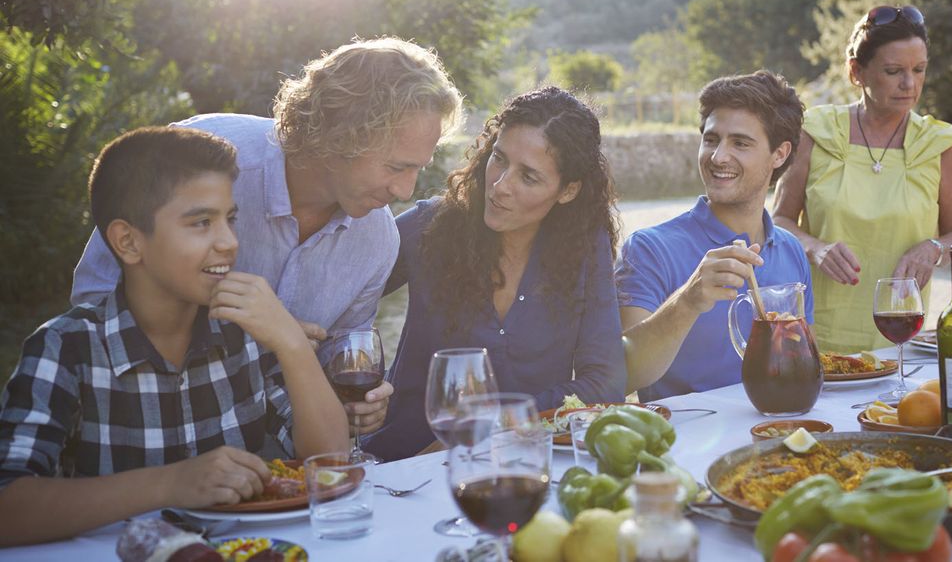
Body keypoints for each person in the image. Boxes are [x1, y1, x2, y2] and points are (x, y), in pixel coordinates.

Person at [70, 38, 464, 436]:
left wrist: (352, 402)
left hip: (279, 460)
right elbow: (95, 296)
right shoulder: (199, 162)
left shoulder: (378, 242)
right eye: (396, 167)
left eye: (418, 169)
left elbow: (337, 362)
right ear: (341, 134)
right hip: (143, 430)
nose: (406, 192)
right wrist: (257, 335)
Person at [0, 128, 348, 546]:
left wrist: (291, 342)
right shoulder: (65, 349)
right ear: (128, 242)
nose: (229, 242)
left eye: (230, 219)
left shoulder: (245, 333)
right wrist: (172, 483)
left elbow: (331, 465)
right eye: (202, 223)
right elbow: (8, 507)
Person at [363, 87, 627, 461]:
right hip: (406, 465)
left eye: (529, 177)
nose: (501, 186)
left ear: (567, 191)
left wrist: (490, 429)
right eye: (499, 159)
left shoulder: (585, 246)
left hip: (522, 465)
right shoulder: (431, 225)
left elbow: (604, 384)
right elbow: (335, 304)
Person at [773, 5, 952, 354]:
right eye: (893, 71)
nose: (909, 84)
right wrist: (815, 247)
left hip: (902, 337)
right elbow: (778, 221)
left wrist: (934, 248)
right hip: (819, 338)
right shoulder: (815, 134)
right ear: (856, 72)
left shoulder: (939, 145)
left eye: (919, 70)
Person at [616, 71, 814, 402]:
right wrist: (688, 300)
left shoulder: (791, 250)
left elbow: (803, 363)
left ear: (779, 154)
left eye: (740, 142)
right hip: (688, 448)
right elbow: (621, 376)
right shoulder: (648, 249)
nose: (718, 156)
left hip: (776, 438)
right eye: (711, 140)